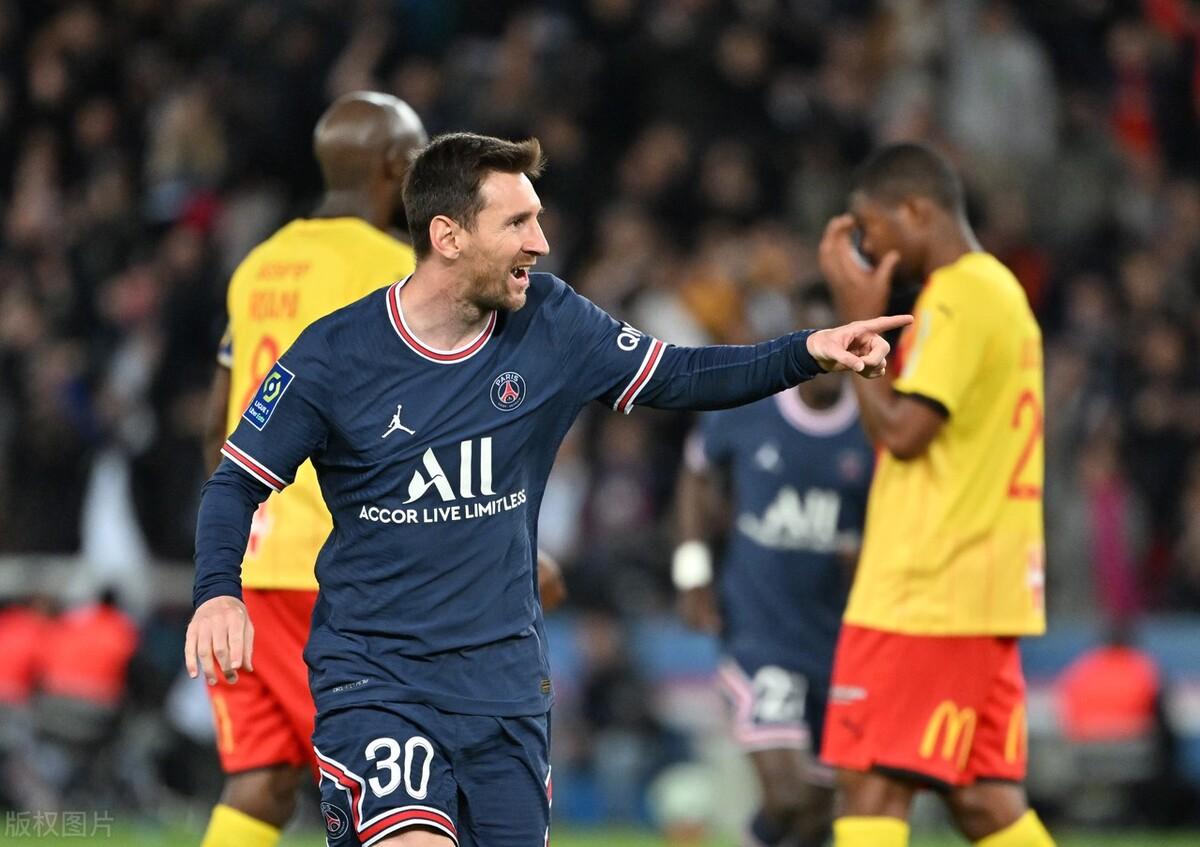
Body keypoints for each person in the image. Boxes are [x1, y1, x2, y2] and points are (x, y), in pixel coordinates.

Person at [186, 131, 909, 847]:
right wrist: (219, 591)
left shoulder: (551, 323)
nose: (541, 242)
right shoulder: (336, 353)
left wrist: (808, 351)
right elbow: (235, 482)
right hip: (379, 682)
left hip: (505, 689)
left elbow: (681, 373)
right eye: (517, 223)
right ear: (448, 236)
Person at [197, 91, 429, 847]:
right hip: (329, 573)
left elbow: (217, 425)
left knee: (261, 783)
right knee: (396, 785)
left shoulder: (258, 265)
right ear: (394, 166)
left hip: (250, 565)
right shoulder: (396, 270)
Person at [817, 142, 1054, 847]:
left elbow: (904, 432)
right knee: (982, 800)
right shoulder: (999, 292)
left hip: (928, 587)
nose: (868, 248)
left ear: (916, 211)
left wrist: (857, 325)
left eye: (872, 228)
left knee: (871, 783)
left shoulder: (958, 296)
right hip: (983, 585)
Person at [673, 284, 874, 847]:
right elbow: (696, 473)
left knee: (817, 817)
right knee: (789, 794)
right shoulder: (753, 406)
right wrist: (692, 572)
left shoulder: (873, 426)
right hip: (758, 632)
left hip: (838, 639)